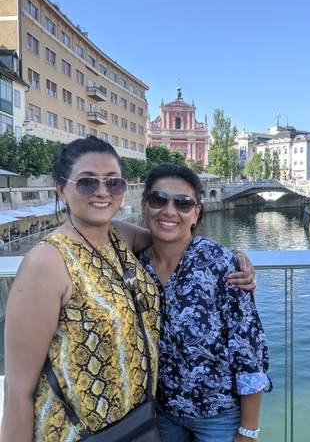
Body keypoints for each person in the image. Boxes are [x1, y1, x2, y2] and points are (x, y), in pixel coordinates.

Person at [1, 137, 254, 441]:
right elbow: (17, 392)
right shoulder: (46, 262)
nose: (102, 192)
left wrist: (234, 259)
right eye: (86, 183)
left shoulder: (117, 236)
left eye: (113, 183)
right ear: (60, 188)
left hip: (138, 424)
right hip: (75, 431)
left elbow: (169, 236)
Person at [138, 164, 271, 442]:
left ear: (196, 212)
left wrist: (248, 431)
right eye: (158, 199)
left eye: (183, 203)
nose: (169, 210)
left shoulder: (221, 263)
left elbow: (248, 349)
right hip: (161, 414)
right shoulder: (135, 266)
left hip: (219, 417)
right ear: (145, 205)